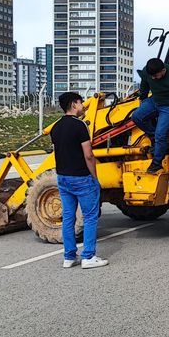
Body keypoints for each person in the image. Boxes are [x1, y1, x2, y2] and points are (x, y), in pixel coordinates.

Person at [51, 91, 106, 269]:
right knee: (90, 217)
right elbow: (89, 155)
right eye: (81, 103)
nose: (83, 106)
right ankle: (88, 256)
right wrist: (94, 177)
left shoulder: (55, 127)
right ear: (74, 104)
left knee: (68, 217)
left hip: (63, 178)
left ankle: (69, 257)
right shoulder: (80, 125)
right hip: (81, 178)